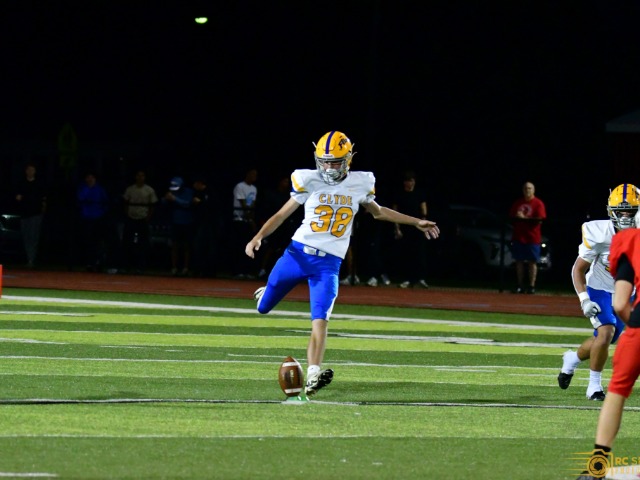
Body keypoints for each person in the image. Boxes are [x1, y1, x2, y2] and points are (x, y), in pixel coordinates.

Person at [245, 131, 440, 397]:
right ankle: (264, 294)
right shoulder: (308, 180)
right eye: (324, 161)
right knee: (264, 308)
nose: (328, 168)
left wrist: (416, 222)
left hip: (328, 266)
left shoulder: (360, 183)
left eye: (334, 162)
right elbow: (281, 214)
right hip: (297, 255)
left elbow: (379, 212)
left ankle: (313, 374)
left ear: (348, 159)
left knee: (320, 319)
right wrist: (258, 237)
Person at [558, 183, 640, 401]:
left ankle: (572, 359)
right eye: (620, 212)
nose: (625, 217)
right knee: (606, 332)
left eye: (630, 211)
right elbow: (578, 269)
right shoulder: (599, 233)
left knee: (604, 340)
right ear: (610, 211)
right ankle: (594, 386)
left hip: (627, 290)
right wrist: (584, 299)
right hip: (599, 287)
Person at [574, 210, 640, 480]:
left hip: (638, 325)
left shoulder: (629, 241)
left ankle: (597, 466)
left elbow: (620, 304)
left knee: (617, 392)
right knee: (604, 334)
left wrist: (634, 326)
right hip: (602, 292)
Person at [391, 170, 429, 288]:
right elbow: (395, 213)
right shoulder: (400, 195)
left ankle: (421, 278)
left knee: (420, 254)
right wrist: (397, 228)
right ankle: (407, 279)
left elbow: (424, 210)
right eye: (408, 181)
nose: (410, 183)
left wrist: (424, 225)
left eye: (412, 181)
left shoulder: (419, 194)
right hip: (405, 227)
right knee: (406, 254)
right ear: (405, 183)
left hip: (417, 227)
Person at [509, 181, 547, 294]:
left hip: (532, 237)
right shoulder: (518, 203)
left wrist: (524, 218)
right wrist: (518, 218)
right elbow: (512, 216)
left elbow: (539, 219)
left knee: (532, 261)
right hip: (519, 236)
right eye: (525, 188)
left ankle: (531, 285)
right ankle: (519, 285)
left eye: (530, 188)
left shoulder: (538, 203)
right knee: (519, 261)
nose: (527, 190)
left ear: (533, 190)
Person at [122, 170, 158, 274]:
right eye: (138, 175)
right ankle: (127, 266)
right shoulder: (130, 189)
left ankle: (141, 266)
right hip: (131, 218)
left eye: (142, 175)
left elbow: (153, 205)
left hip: (143, 219)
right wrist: (127, 214)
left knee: (143, 243)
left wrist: (148, 217)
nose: (140, 177)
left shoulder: (149, 190)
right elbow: (125, 202)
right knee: (127, 242)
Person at [14, 163, 47, 268]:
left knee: (33, 237)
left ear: (35, 171)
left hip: (35, 214)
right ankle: (28, 258)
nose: (30, 172)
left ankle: (31, 259)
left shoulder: (39, 184)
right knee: (26, 236)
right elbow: (17, 197)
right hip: (24, 214)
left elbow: (44, 198)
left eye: (32, 170)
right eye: (28, 170)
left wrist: (43, 208)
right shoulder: (22, 183)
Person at [76, 171, 109, 271]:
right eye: (88, 177)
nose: (90, 179)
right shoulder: (83, 188)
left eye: (92, 177)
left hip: (97, 218)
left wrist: (101, 213)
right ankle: (88, 263)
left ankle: (98, 262)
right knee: (87, 241)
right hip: (86, 218)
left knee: (97, 241)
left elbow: (105, 202)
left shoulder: (100, 189)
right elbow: (80, 199)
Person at [163, 176, 195, 276]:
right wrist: (166, 199)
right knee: (174, 245)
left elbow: (187, 204)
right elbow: (163, 203)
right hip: (175, 222)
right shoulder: (172, 191)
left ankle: (186, 268)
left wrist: (175, 199)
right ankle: (174, 267)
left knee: (186, 246)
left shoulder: (189, 192)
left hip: (187, 222)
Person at [232, 168, 258, 279]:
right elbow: (243, 204)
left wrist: (251, 219)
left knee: (249, 246)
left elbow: (252, 204)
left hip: (248, 220)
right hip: (239, 220)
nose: (255, 177)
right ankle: (237, 271)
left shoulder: (254, 188)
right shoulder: (240, 186)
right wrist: (250, 220)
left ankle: (246, 271)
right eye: (253, 174)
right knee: (239, 245)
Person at [191, 175, 219, 278]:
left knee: (209, 248)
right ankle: (198, 270)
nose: (194, 185)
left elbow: (213, 207)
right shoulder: (196, 193)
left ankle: (210, 271)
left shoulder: (211, 193)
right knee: (198, 247)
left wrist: (201, 202)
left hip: (210, 225)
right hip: (199, 224)